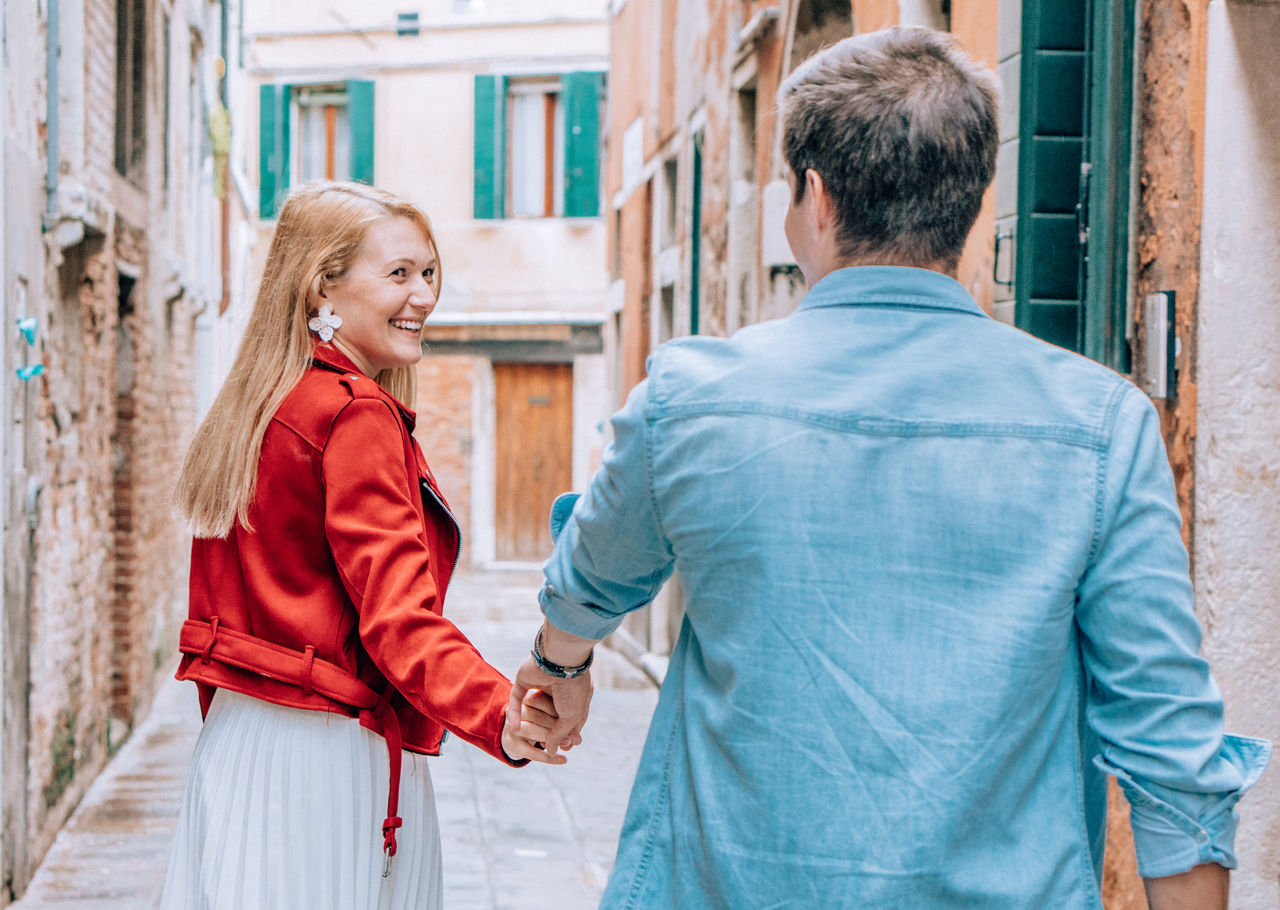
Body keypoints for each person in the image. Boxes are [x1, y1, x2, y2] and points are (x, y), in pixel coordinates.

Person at [510, 27, 1270, 910]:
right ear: (972, 204)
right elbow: (1169, 745)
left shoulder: (690, 398)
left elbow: (592, 578)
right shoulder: (1102, 425)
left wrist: (558, 671)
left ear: (817, 198)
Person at [161, 181, 567, 910]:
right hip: (325, 763)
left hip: (241, 747)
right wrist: (498, 713)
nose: (423, 296)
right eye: (398, 274)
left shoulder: (261, 402)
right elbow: (398, 619)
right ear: (325, 284)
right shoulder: (355, 416)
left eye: (429, 271)